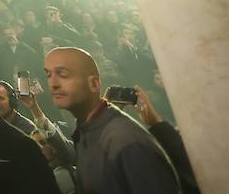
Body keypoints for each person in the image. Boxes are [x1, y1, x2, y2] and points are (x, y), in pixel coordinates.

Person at [43, 47, 180, 193]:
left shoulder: (124, 139)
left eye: (63, 74)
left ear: (94, 84)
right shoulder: (86, 129)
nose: (53, 84)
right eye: (49, 75)